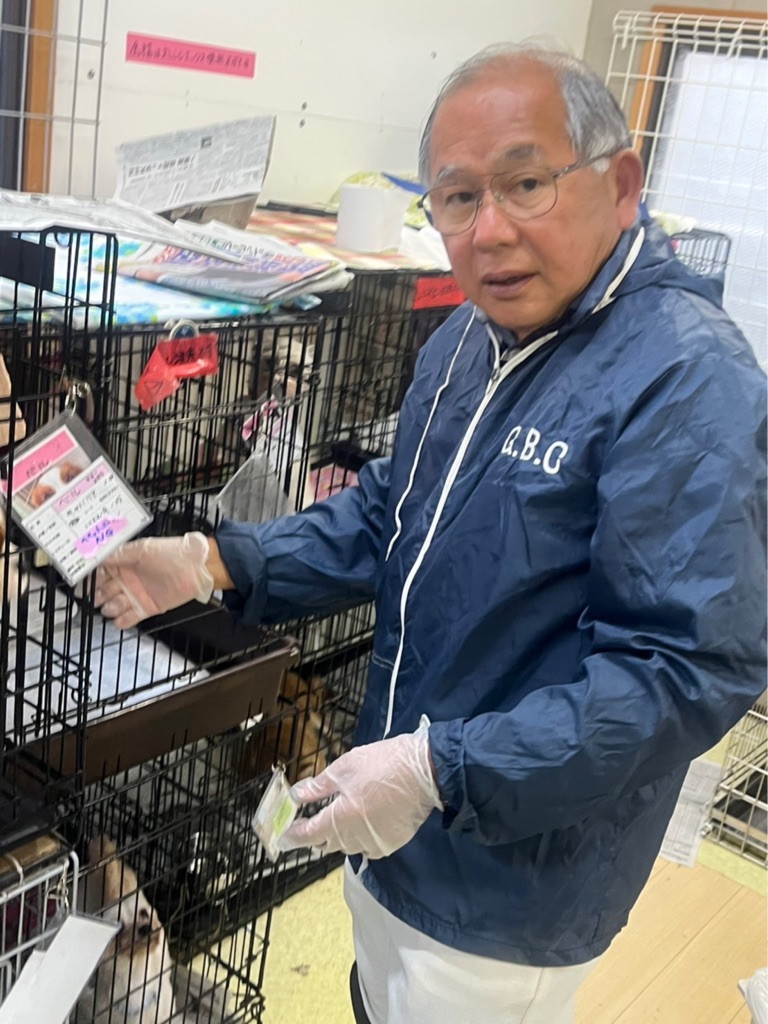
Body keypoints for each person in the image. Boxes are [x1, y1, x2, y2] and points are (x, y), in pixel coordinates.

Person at [95, 43, 767, 1024]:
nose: (489, 230)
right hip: (391, 821)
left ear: (621, 185)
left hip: (511, 884)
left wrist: (437, 770)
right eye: (456, 197)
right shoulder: (464, 340)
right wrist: (218, 560)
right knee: (378, 996)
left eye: (526, 183)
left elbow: (681, 670)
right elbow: (386, 515)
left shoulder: (686, 378)